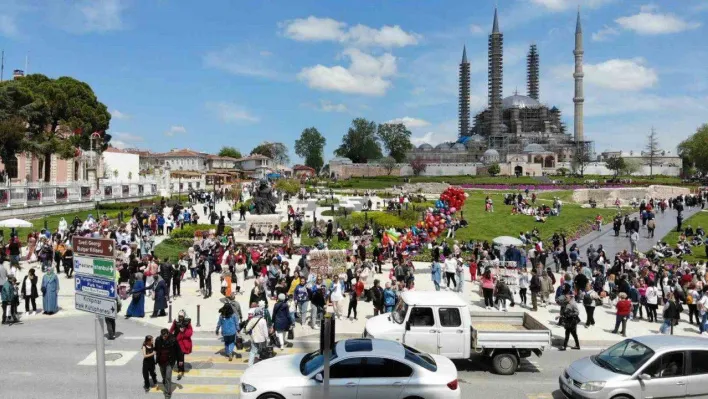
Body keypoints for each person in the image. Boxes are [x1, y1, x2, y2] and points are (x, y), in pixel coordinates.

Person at [154, 328, 182, 398]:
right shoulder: (158, 340)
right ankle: (164, 380)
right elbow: (156, 348)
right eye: (163, 336)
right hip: (161, 361)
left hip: (170, 361)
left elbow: (179, 351)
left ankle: (167, 394)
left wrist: (180, 362)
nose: (164, 337)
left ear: (168, 334)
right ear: (161, 335)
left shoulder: (173, 340)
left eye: (165, 336)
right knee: (163, 375)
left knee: (168, 377)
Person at [169, 310, 193, 378]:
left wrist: (184, 331)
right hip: (175, 341)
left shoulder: (187, 322)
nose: (180, 318)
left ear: (184, 316)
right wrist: (168, 336)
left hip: (182, 343)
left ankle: (180, 370)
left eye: (181, 316)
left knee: (181, 357)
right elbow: (172, 329)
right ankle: (172, 366)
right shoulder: (175, 321)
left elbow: (190, 332)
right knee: (174, 355)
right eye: (179, 316)